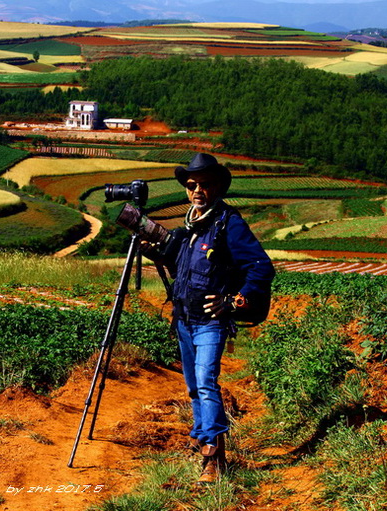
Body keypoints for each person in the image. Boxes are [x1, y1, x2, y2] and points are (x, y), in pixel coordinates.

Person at [157, 153, 275, 484]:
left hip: (210, 320)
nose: (197, 190)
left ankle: (213, 459)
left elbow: (262, 267)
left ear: (218, 187)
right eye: (191, 185)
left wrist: (233, 301)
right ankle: (209, 441)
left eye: (204, 185)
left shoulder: (229, 223)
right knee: (195, 387)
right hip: (184, 319)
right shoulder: (192, 224)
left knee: (206, 385)